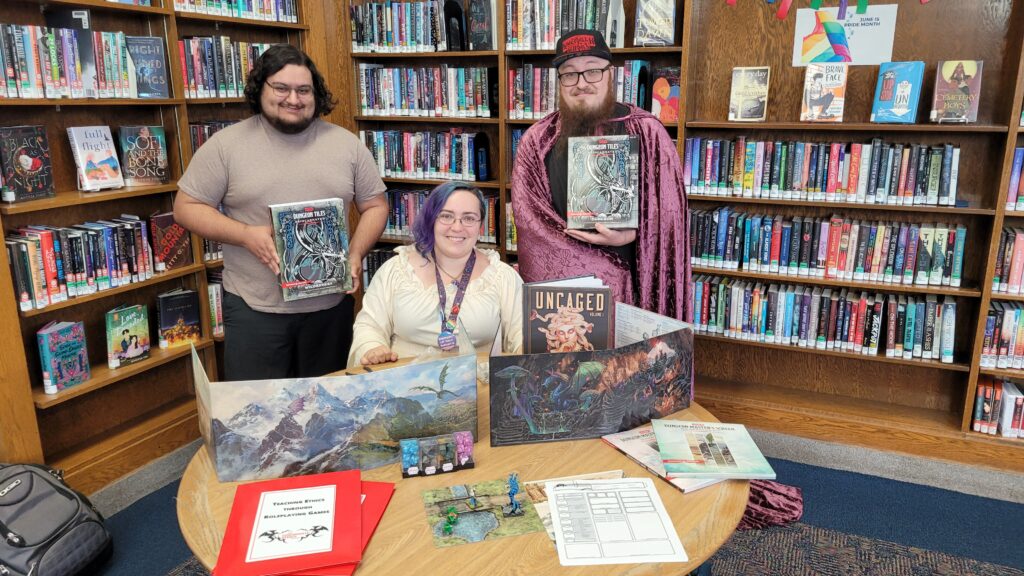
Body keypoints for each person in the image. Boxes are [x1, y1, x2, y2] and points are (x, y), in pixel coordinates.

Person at [174, 44, 388, 380]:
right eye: (281, 88)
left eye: (303, 90)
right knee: (257, 413)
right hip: (254, 309)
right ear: (260, 89)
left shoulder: (346, 144)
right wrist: (245, 235)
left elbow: (376, 206)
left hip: (331, 309)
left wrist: (357, 252)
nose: (294, 99)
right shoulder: (225, 146)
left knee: (329, 410)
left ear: (315, 94)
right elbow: (185, 208)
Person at [510, 29, 690, 321]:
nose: (581, 83)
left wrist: (633, 236)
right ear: (559, 82)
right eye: (569, 74)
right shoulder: (538, 140)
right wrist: (598, 263)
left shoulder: (648, 132)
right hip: (566, 299)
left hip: (633, 290)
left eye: (592, 71)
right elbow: (531, 224)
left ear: (610, 74)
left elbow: (669, 222)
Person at [348, 182, 523, 367]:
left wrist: (525, 352)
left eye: (469, 218)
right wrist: (373, 347)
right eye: (447, 216)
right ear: (431, 219)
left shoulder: (502, 276)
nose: (457, 227)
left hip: (479, 384)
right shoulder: (396, 270)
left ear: (480, 225)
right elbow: (369, 325)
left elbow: (522, 334)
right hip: (405, 382)